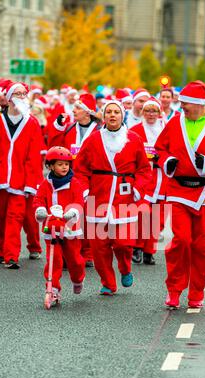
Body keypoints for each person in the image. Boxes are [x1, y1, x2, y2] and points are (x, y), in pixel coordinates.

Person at [156, 80, 205, 309]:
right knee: (180, 240)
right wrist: (168, 161)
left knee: (202, 245)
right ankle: (174, 289)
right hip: (179, 190)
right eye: (181, 103)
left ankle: (196, 292)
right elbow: (161, 150)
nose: (182, 107)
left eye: (186, 103)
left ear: (199, 104)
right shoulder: (174, 124)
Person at [74, 100, 152, 295]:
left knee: (123, 243)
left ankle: (125, 268)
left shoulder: (133, 139)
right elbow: (80, 169)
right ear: (103, 116)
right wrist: (84, 190)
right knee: (99, 247)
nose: (112, 115)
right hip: (98, 194)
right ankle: (108, 283)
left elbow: (144, 170)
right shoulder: (93, 139)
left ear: (122, 115)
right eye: (108, 112)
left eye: (116, 112)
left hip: (124, 196)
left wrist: (137, 189)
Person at [0, 79, 43, 269]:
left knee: (15, 218)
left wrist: (31, 184)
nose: (22, 98)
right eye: (17, 94)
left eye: (24, 94)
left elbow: (34, 156)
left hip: (20, 180)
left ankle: (11, 256)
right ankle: (0, 251)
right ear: (8, 99)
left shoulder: (32, 123)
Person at [48, 93, 101, 267]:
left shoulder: (99, 129)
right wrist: (57, 126)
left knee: (89, 216)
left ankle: (87, 254)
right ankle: (67, 253)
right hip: (69, 178)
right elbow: (55, 148)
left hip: (92, 178)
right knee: (68, 215)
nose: (74, 110)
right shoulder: (70, 128)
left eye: (78, 108)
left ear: (87, 112)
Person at [33, 146, 85, 305]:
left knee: (75, 261)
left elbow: (78, 202)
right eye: (60, 164)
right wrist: (40, 210)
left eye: (67, 164)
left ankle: (78, 279)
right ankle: (53, 289)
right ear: (50, 166)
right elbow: (38, 200)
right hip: (52, 228)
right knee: (53, 260)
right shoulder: (45, 183)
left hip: (70, 229)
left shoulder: (74, 183)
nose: (64, 167)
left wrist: (72, 213)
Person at [131, 97, 166, 265]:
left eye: (154, 111)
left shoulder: (165, 130)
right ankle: (137, 246)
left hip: (162, 177)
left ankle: (149, 251)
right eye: (147, 111)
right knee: (143, 212)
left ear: (159, 113)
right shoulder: (135, 130)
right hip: (143, 177)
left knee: (158, 217)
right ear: (142, 112)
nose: (151, 114)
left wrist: (162, 159)